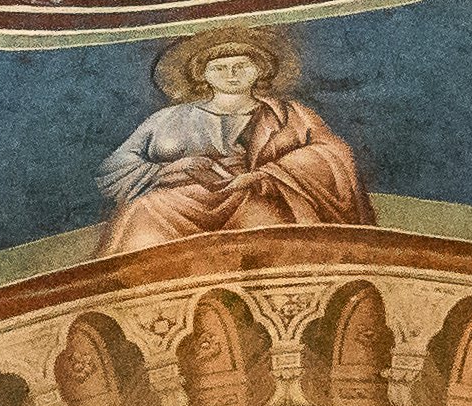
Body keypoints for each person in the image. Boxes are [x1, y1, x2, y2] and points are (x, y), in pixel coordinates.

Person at [97, 25, 361, 251]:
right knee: (144, 211)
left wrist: (265, 175)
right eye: (220, 68)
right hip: (180, 201)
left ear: (260, 70)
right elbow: (113, 167)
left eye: (241, 66)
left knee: (268, 224)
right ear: (202, 74)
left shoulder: (287, 114)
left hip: (252, 195)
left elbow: (332, 153)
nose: (231, 74)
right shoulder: (167, 118)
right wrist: (169, 169)